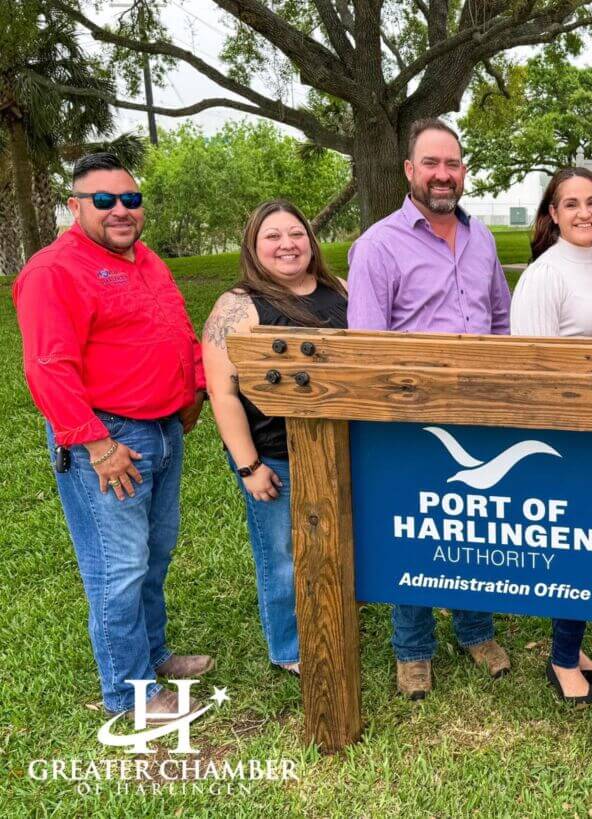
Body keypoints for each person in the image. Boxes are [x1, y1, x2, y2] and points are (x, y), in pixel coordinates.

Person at [12, 153, 210, 719]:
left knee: (154, 553)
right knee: (116, 566)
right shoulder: (55, 271)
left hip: (164, 429)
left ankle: (153, 654)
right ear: (75, 207)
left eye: (130, 198)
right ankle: (130, 693)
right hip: (110, 436)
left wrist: (193, 390)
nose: (120, 210)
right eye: (103, 200)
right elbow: (48, 366)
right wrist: (96, 445)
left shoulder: (146, 260)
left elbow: (179, 331)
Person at [346, 118, 513, 699]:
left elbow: (499, 320)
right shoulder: (378, 245)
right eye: (432, 164)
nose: (444, 175)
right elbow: (366, 347)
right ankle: (412, 648)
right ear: (410, 171)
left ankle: (475, 630)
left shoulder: (483, 238)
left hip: (479, 413)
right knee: (414, 530)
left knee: (477, 524)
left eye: (454, 164)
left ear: (463, 172)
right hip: (408, 420)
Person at [202, 200, 348, 677]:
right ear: (253, 246)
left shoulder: (340, 290)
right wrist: (248, 465)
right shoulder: (237, 306)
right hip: (274, 456)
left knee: (335, 541)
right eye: (273, 236)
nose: (287, 244)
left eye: (296, 234)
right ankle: (289, 646)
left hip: (340, 448)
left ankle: (334, 617)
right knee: (282, 555)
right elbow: (222, 393)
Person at [510, 167, 592, 706]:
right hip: (567, 436)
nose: (584, 212)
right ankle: (562, 660)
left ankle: (574, 645)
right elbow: (533, 373)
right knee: (575, 548)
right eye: (571, 203)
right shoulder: (544, 275)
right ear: (552, 214)